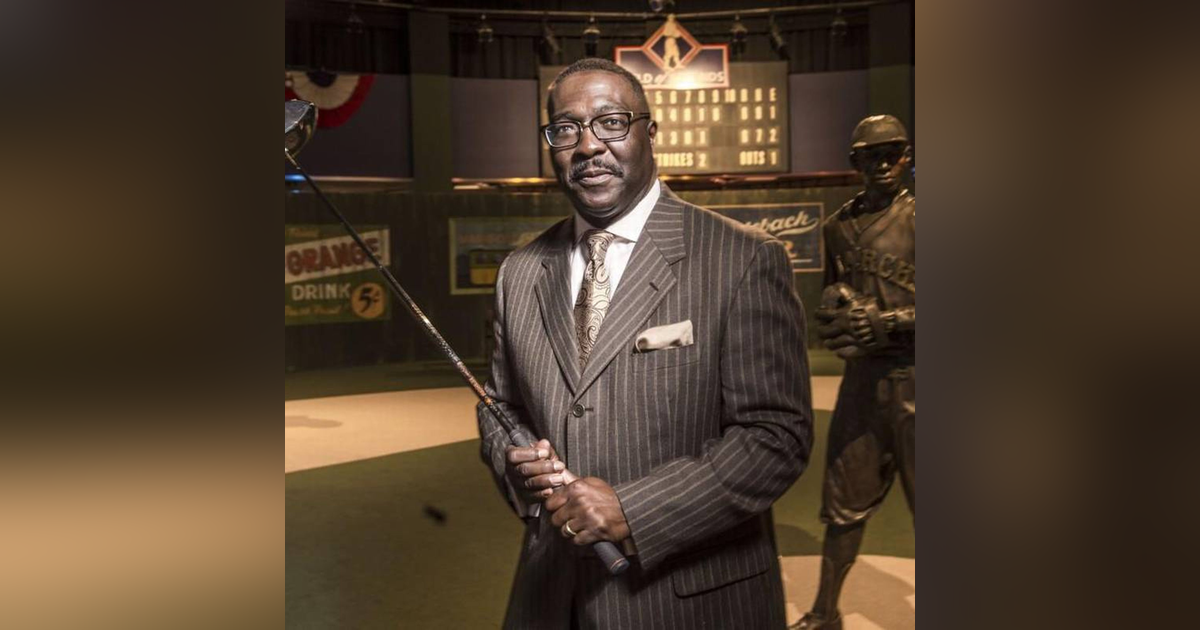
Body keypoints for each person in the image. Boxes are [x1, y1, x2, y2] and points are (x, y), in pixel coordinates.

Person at [477, 57, 814, 629]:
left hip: (690, 603)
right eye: (566, 129)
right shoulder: (519, 272)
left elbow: (775, 437)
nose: (588, 146)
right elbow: (500, 406)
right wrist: (514, 461)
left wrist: (632, 510)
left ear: (649, 133)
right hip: (550, 597)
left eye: (611, 122)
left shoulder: (743, 258)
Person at [792, 115, 916, 630]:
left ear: (908, 155)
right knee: (843, 503)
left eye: (893, 152)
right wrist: (837, 326)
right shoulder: (837, 226)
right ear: (855, 162)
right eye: (872, 154)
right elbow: (829, 306)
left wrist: (889, 321)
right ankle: (826, 611)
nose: (883, 162)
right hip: (863, 384)